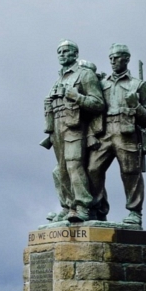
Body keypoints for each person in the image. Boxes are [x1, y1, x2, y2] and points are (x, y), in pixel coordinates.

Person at [87, 43, 146, 225]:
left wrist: (136, 106)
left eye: (117, 57)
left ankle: (134, 212)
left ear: (127, 59)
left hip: (127, 133)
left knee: (131, 173)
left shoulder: (138, 85)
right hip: (105, 131)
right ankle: (98, 209)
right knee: (93, 169)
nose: (113, 61)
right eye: (111, 58)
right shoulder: (102, 83)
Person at [43, 39, 105, 223]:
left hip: (75, 126)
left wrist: (75, 96)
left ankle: (83, 206)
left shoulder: (85, 75)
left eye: (66, 51)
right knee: (61, 170)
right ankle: (68, 206)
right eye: (59, 52)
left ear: (75, 54)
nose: (62, 55)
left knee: (73, 165)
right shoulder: (59, 79)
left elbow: (98, 103)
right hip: (57, 127)